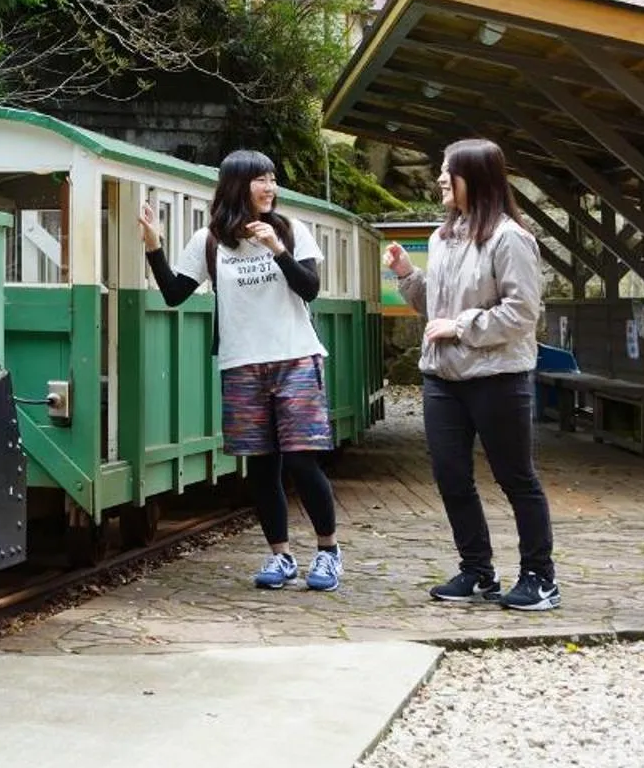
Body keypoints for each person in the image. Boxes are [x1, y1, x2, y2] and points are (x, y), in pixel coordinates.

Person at [138, 149, 341, 591]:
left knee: (304, 462)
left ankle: (328, 552)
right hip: (242, 364)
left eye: (273, 179)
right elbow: (175, 294)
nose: (270, 188)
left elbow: (309, 289)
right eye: (260, 180)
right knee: (262, 468)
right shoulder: (209, 240)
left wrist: (278, 250)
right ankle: (280, 557)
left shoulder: (292, 230)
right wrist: (154, 246)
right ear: (236, 185)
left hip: (295, 358)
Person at [384, 137, 559, 613]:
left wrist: (460, 327)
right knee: (450, 476)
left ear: (476, 178)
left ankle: (539, 578)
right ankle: (478, 571)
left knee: (515, 477)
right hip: (442, 378)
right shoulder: (442, 238)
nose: (440, 177)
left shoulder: (510, 239)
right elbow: (433, 308)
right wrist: (406, 275)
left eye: (449, 170)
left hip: (498, 376)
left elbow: (523, 313)